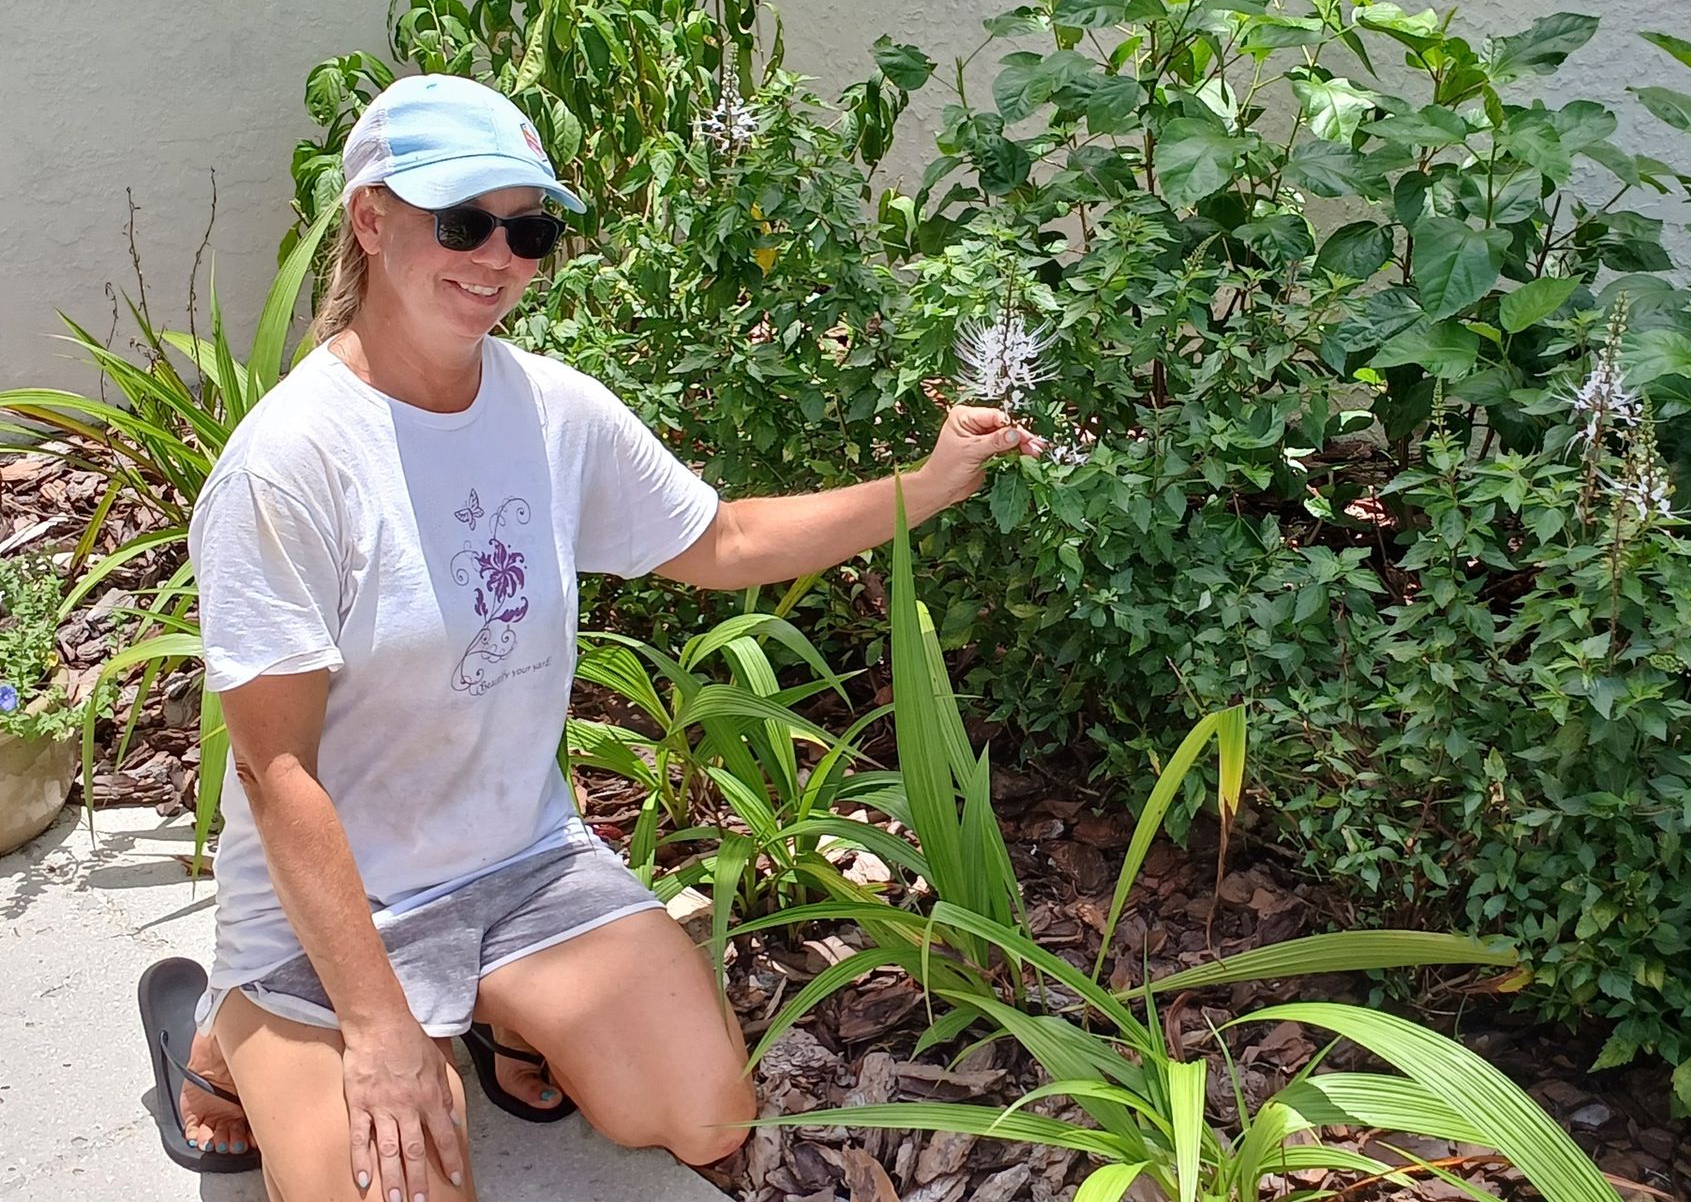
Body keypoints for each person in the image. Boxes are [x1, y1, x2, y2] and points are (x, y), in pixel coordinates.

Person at [165, 73, 1042, 1202]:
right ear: (371, 222)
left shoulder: (548, 410)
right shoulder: (290, 465)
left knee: (704, 1111)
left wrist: (927, 486)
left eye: (528, 229)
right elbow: (275, 768)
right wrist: (381, 1031)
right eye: (463, 221)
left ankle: (503, 1011)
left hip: (520, 866)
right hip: (339, 909)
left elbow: (720, 539)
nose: (499, 258)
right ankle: (235, 1025)